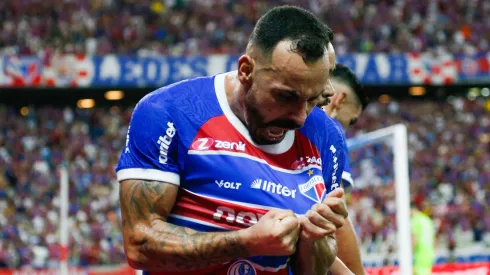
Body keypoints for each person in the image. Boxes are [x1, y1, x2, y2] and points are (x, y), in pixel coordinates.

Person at [116, 5, 352, 275]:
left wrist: (312, 241)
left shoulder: (327, 136)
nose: (300, 117)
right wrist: (248, 241)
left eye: (311, 100)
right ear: (246, 70)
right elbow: (139, 244)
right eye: (286, 96)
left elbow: (312, 269)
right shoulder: (170, 112)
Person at [321, 62, 369, 275]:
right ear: (340, 100)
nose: (348, 126)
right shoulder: (331, 132)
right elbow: (334, 213)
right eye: (352, 120)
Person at [411, 203, 435, 275]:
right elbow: (433, 238)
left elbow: (414, 238)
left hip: (420, 252)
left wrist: (410, 252)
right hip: (429, 252)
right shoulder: (427, 219)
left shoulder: (415, 219)